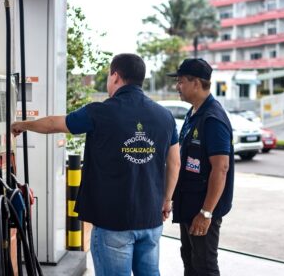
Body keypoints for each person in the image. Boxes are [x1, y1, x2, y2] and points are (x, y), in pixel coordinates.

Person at [11, 53, 180, 276]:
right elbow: (175, 163)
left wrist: (21, 125)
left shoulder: (100, 112)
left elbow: (55, 124)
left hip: (113, 221)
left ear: (116, 76)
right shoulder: (164, 116)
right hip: (150, 220)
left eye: (109, 76)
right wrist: (166, 201)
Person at [167, 58, 234, 276]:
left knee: (204, 265)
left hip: (202, 209)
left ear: (196, 83)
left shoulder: (212, 118)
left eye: (180, 81)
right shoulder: (194, 112)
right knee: (190, 260)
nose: (177, 86)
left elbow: (221, 169)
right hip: (189, 205)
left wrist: (206, 213)